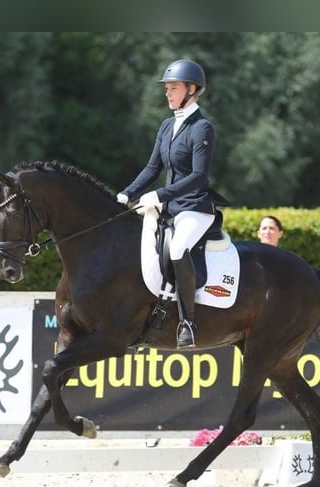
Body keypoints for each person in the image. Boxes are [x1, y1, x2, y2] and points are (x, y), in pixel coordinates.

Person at [116, 59, 216, 350]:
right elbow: (151, 168)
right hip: (169, 207)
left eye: (173, 88)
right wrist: (126, 194)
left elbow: (199, 177)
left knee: (177, 247)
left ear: (192, 89)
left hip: (195, 208)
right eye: (167, 89)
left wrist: (160, 195)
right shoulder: (167, 126)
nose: (168, 93)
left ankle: (187, 322)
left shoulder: (202, 128)